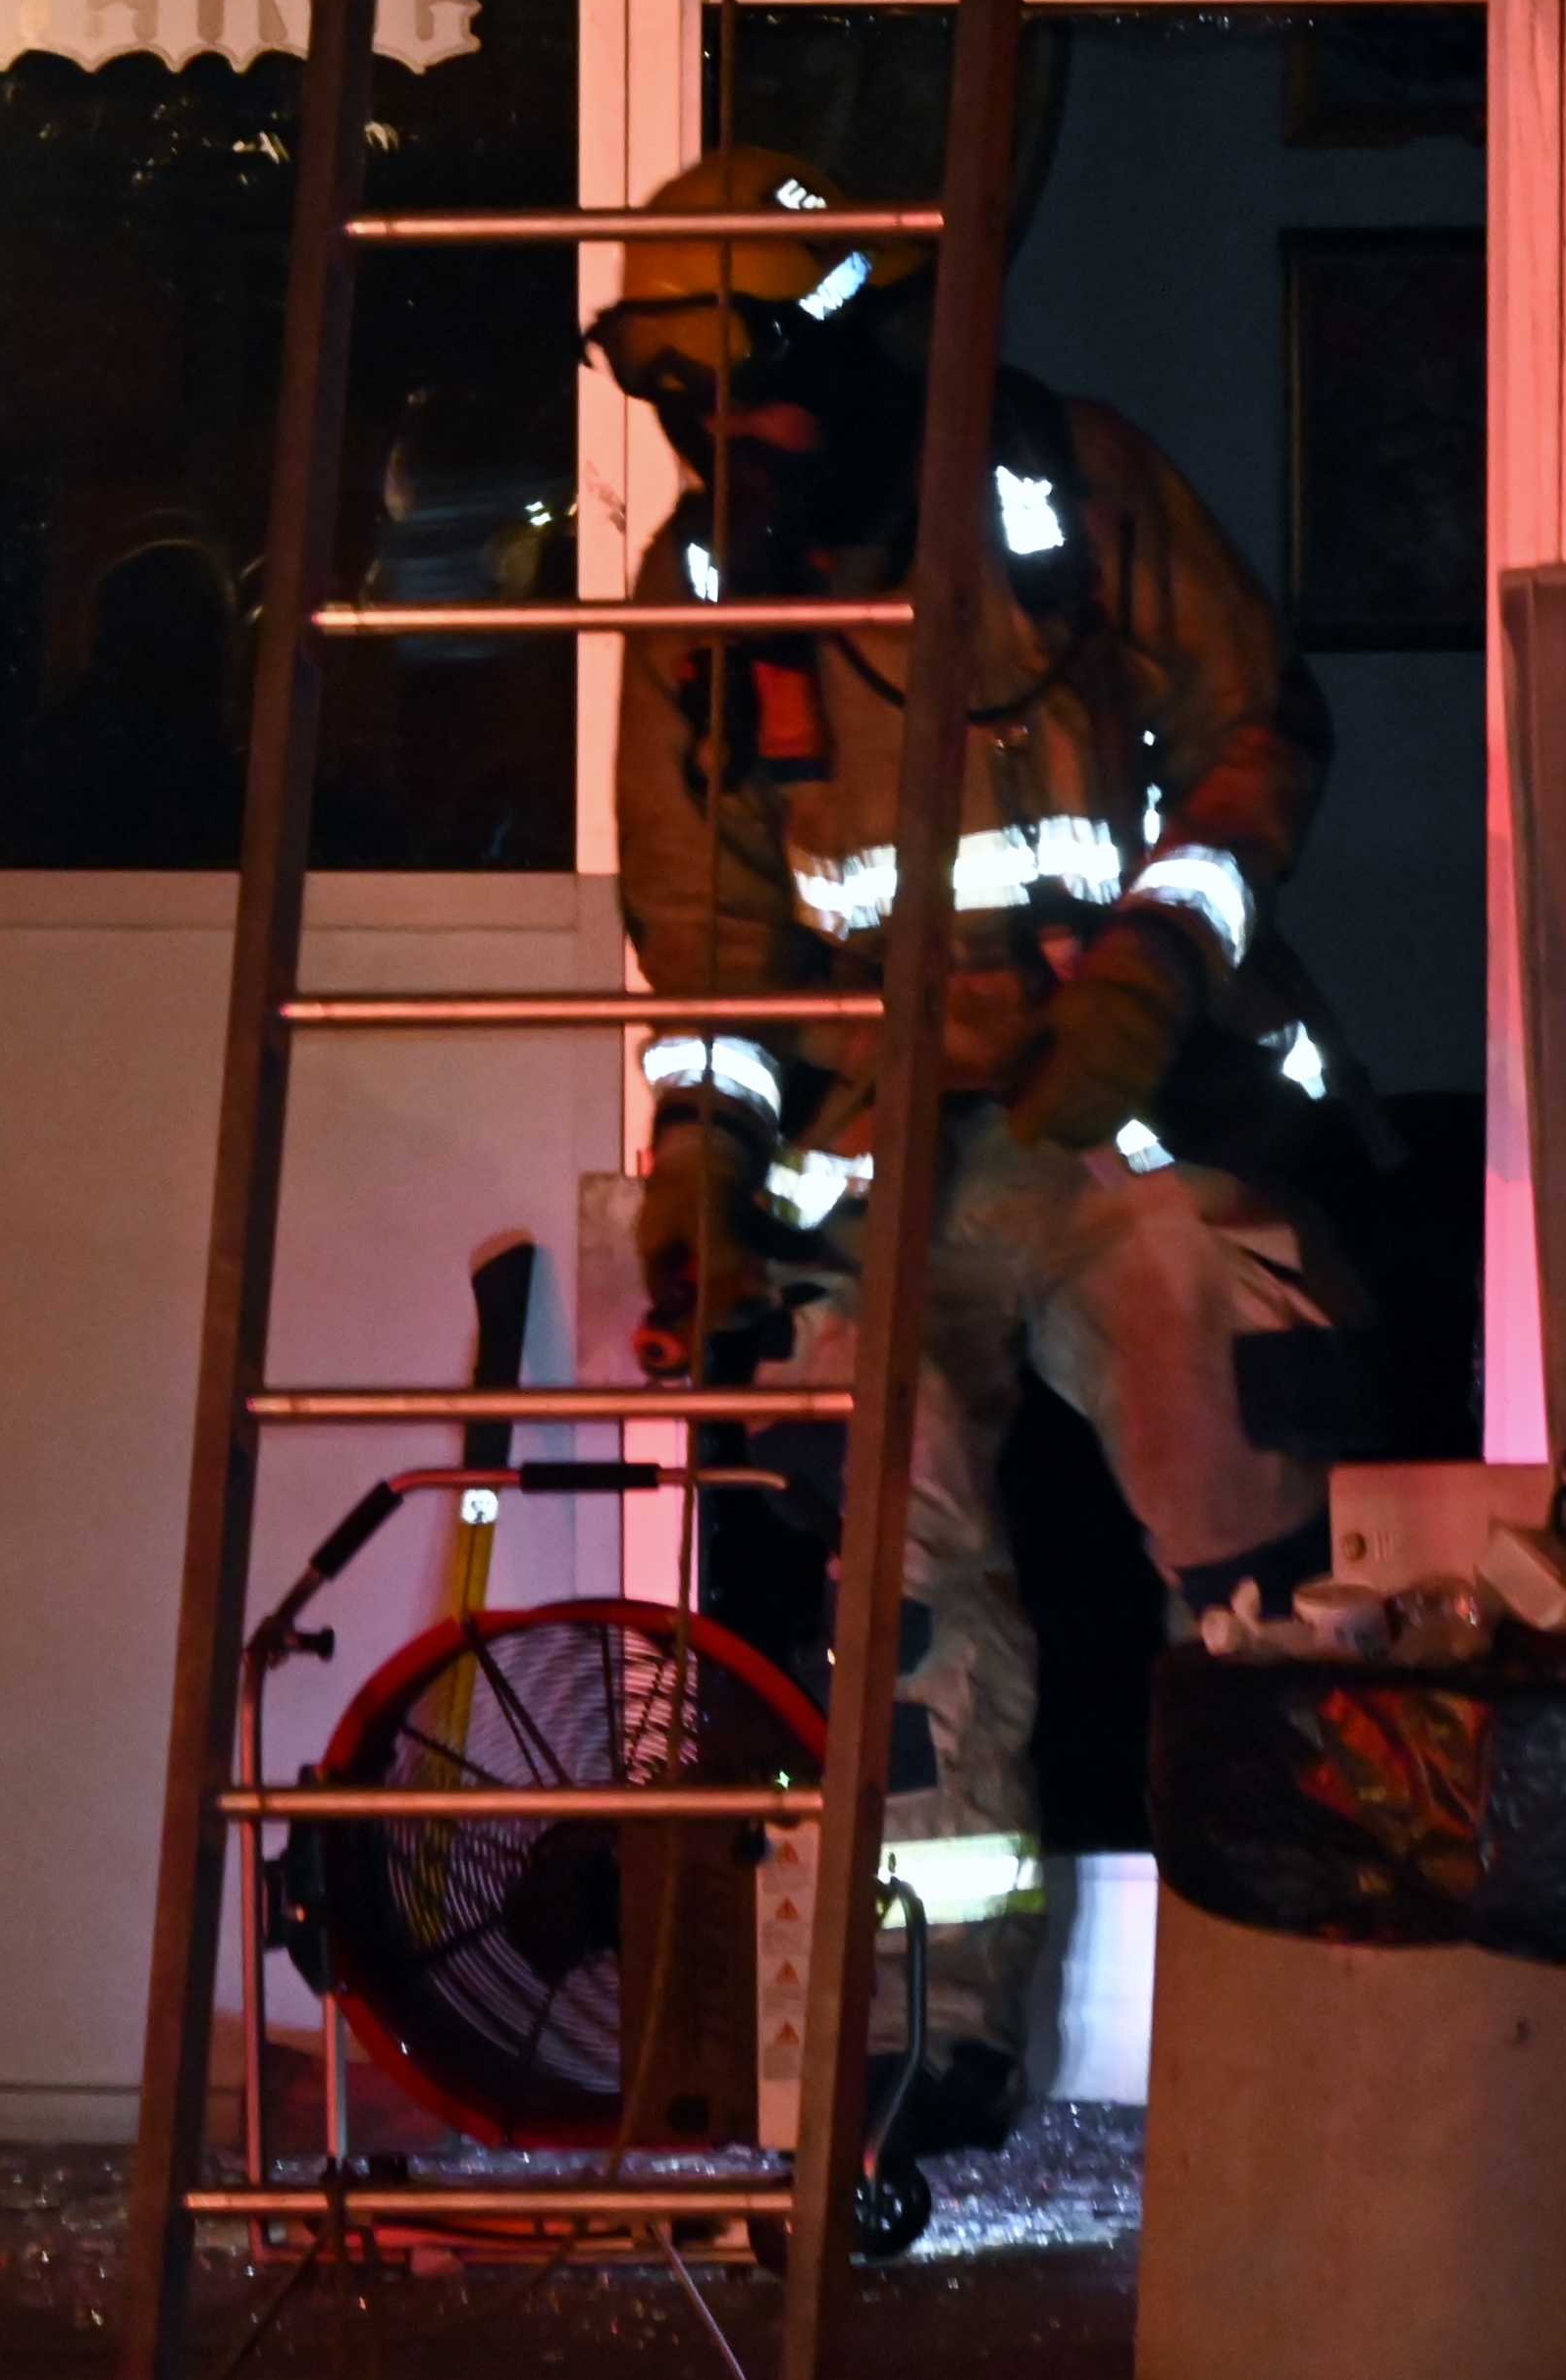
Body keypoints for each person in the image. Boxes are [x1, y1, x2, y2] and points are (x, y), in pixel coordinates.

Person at [592, 146, 1358, 2152]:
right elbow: (713, 941)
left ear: (864, 357)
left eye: (751, 393)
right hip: (880, 1161)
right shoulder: (705, 597)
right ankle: (928, 2030)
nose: (724, 449)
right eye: (680, 407)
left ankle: (1304, 2001)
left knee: (1256, 1535)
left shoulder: (1072, 495)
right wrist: (704, 1174)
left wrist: (1155, 967)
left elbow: (1262, 729)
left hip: (1123, 1117)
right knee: (900, 1586)